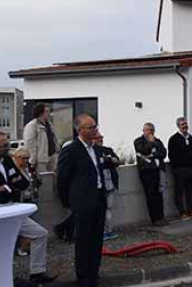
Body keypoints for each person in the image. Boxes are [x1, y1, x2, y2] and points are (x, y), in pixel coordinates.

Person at [0, 132, 56, 285]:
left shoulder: (7, 161)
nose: (7, 148)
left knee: (39, 234)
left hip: (12, 209)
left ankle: (37, 272)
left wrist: (7, 187)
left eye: (7, 144)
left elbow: (21, 182)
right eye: (3, 146)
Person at [57, 115, 106, 287]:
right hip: (82, 203)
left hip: (99, 199)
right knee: (84, 241)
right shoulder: (71, 150)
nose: (95, 129)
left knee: (97, 240)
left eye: (95, 126)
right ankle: (84, 278)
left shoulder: (97, 149)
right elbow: (62, 179)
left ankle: (94, 274)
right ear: (80, 130)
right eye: (90, 127)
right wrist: (69, 202)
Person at [134, 123, 168, 226]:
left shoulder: (157, 141)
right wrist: (151, 143)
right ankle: (155, 219)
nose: (150, 132)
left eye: (152, 130)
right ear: (143, 130)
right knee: (151, 195)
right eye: (148, 130)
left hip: (158, 170)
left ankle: (161, 217)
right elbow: (143, 151)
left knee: (159, 194)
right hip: (147, 171)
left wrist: (152, 154)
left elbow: (163, 153)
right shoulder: (138, 141)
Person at [168, 117, 192, 221]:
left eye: (186, 124)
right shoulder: (173, 139)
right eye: (182, 124)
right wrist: (176, 168)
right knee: (179, 191)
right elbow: (171, 155)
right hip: (180, 169)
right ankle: (182, 212)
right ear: (178, 126)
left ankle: (191, 210)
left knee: (191, 191)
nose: (185, 126)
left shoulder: (191, 138)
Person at [94, 132, 122, 241]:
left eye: (101, 137)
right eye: (98, 138)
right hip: (99, 185)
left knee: (108, 208)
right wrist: (107, 160)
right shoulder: (92, 151)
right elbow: (97, 163)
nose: (100, 139)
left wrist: (107, 160)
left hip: (110, 183)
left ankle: (108, 230)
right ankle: (101, 232)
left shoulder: (107, 149)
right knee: (100, 209)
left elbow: (117, 161)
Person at [24, 103, 61, 173]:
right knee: (43, 180)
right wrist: (32, 160)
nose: (49, 114)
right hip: (41, 160)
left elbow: (54, 139)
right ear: (40, 113)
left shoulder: (49, 125)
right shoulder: (32, 126)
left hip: (52, 156)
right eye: (46, 112)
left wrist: (57, 150)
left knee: (52, 179)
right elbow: (30, 144)